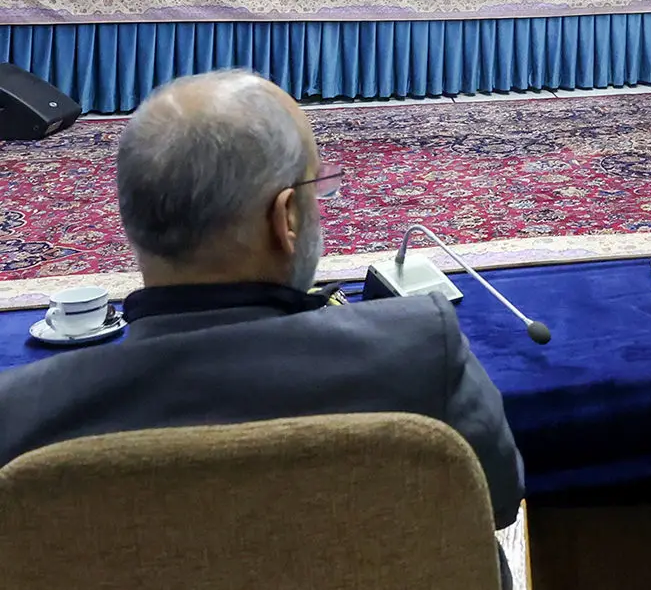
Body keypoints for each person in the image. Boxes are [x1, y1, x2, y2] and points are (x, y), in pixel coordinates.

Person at [0, 70, 524, 536]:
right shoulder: (423, 355)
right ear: (287, 218)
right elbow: (497, 503)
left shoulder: (20, 416)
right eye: (318, 187)